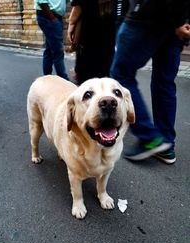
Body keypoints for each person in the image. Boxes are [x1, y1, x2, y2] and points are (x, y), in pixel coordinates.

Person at [110, 0, 190, 164]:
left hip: (147, 14)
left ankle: (150, 138)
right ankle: (166, 144)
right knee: (164, 82)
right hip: (175, 21)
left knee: (120, 74)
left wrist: (180, 20)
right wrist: (181, 20)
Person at [67, 0, 118, 85]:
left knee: (87, 80)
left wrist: (71, 24)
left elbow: (77, 7)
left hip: (89, 35)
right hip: (108, 33)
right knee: (104, 73)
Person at [34, 0, 69, 80]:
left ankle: (47, 78)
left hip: (53, 17)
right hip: (48, 16)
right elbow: (42, 1)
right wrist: (52, 19)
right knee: (58, 51)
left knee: (49, 50)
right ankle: (63, 79)